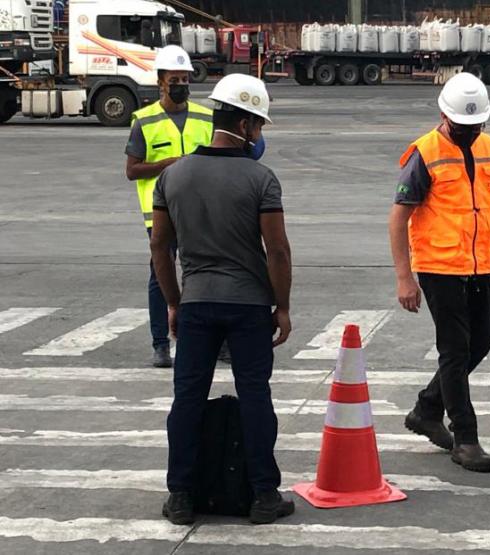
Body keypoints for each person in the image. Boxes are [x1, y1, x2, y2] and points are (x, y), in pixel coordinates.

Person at [150, 73, 294, 525]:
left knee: (187, 398)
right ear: (248, 125)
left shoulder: (172, 176)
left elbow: (159, 248)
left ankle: (181, 496)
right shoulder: (261, 178)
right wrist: (282, 306)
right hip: (249, 307)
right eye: (260, 126)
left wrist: (174, 302)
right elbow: (278, 250)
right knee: (255, 397)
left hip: (196, 305)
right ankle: (263, 495)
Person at [389, 73, 490, 473]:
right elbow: (399, 219)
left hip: (480, 264)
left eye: (476, 125)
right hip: (438, 267)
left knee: (479, 343)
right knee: (455, 348)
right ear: (444, 116)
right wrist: (404, 277)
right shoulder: (424, 153)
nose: (469, 132)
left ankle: (427, 409)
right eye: (463, 127)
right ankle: (465, 437)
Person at [126, 44, 212, 368]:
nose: (180, 84)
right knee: (160, 275)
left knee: (204, 272)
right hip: (161, 212)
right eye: (174, 79)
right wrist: (169, 164)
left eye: (184, 78)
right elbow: (132, 170)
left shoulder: (206, 117)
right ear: (161, 81)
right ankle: (161, 344)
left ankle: (209, 341)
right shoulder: (144, 122)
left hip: (202, 209)